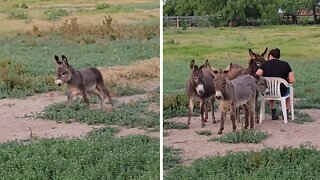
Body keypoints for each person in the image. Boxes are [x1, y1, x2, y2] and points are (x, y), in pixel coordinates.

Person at [256, 48, 295, 120]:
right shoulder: (285, 64)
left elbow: (257, 74)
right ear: (279, 56)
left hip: (268, 91)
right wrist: (286, 81)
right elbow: (292, 80)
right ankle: (285, 112)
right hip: (282, 91)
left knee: (271, 89)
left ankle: (273, 113)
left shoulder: (265, 64)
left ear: (270, 55)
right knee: (290, 89)